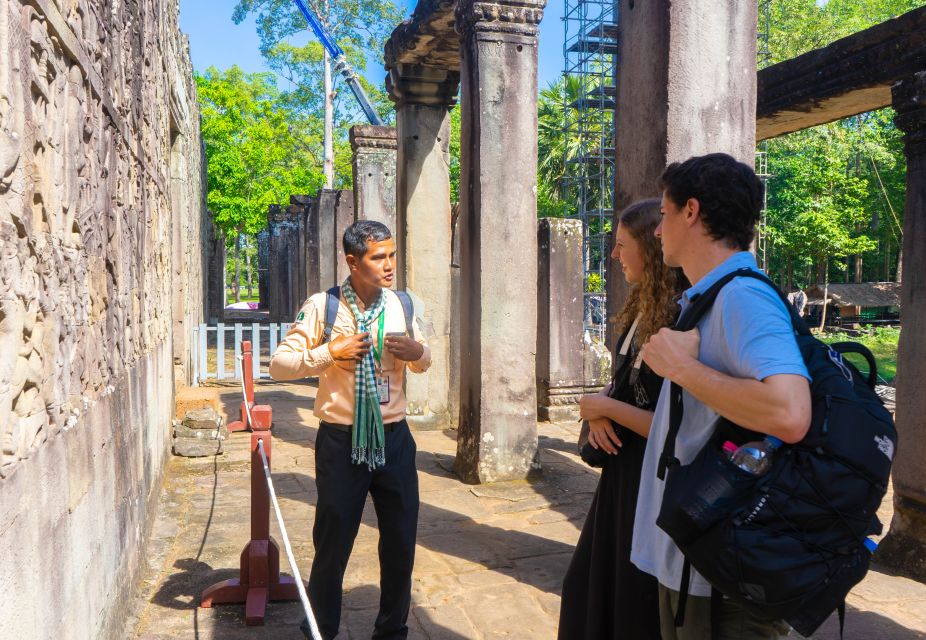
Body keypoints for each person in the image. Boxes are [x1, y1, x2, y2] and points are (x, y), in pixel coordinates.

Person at [633, 153, 812, 639]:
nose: (657, 230)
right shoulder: (711, 296)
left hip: (721, 569)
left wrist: (681, 368)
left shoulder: (743, 298)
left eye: (664, 215)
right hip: (700, 553)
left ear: (691, 212)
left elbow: (790, 413)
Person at [269, 220, 431, 640]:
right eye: (379, 257)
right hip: (342, 443)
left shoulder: (403, 304)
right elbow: (280, 365)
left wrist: (418, 354)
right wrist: (329, 351)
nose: (389, 265)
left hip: (394, 440)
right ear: (353, 261)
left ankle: (392, 630)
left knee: (400, 542)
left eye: (392, 255)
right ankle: (322, 629)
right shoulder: (323, 307)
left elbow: (422, 359)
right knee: (332, 546)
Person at [559, 199, 687, 640]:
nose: (614, 255)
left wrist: (608, 409)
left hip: (652, 478)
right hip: (623, 470)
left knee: (632, 600)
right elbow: (628, 387)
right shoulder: (642, 307)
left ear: (650, 248)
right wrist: (601, 410)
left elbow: (676, 427)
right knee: (587, 589)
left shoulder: (679, 315)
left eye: (621, 245)